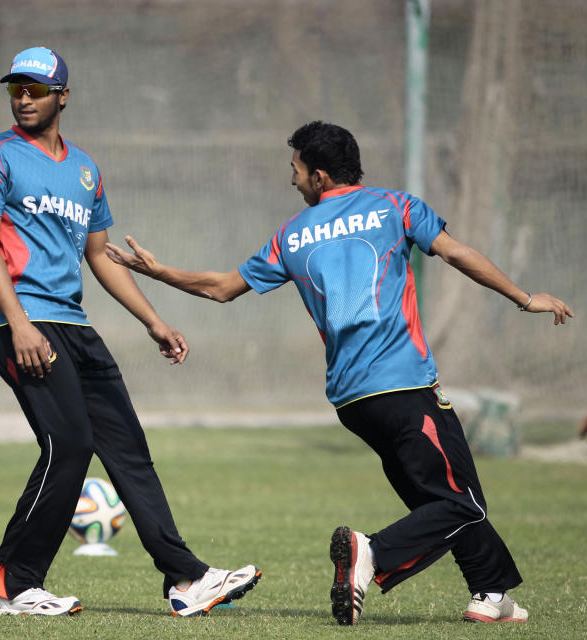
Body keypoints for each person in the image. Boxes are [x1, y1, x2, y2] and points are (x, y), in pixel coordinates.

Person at [105, 121, 574, 625]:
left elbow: (221, 287)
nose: (293, 181)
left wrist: (160, 272)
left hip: (352, 401)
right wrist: (525, 299)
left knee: (439, 499)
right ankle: (370, 553)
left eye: (296, 171)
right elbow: (457, 253)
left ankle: (491, 593)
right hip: (406, 386)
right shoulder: (397, 207)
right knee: (462, 504)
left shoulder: (291, 234)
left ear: (320, 176)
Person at [0, 46, 261, 617]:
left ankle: (187, 579)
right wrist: (20, 325)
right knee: (69, 444)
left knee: (128, 450)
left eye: (35, 89)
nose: (23, 98)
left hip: (74, 324)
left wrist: (154, 321)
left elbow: (99, 256)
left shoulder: (86, 171)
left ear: (62, 96)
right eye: (15, 89)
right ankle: (16, 584)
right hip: (16, 321)